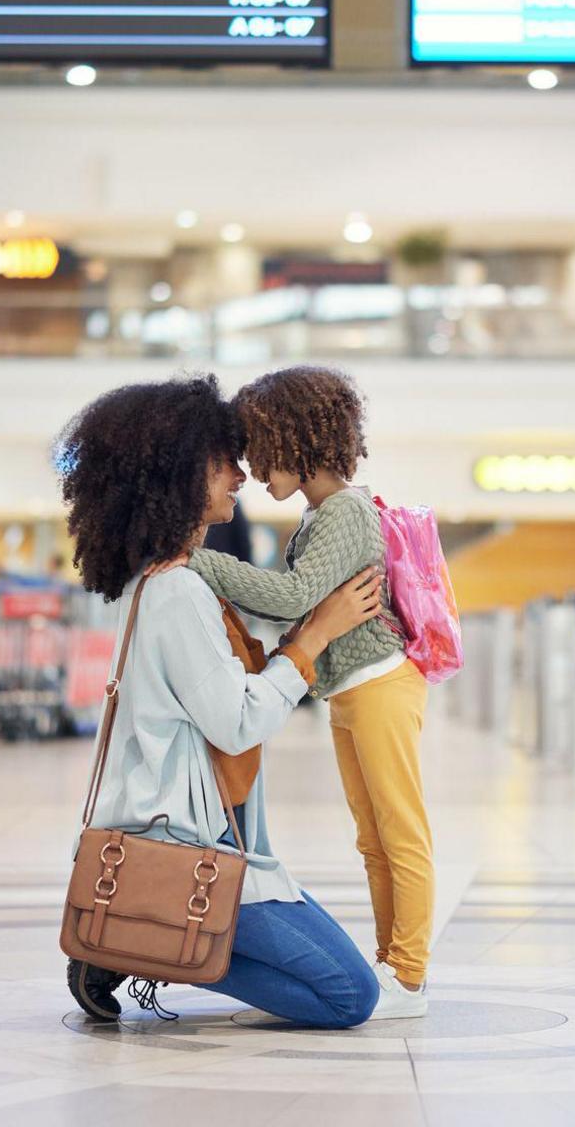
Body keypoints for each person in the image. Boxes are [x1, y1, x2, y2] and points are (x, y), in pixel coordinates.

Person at [58, 374, 384, 1030]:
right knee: (350, 996)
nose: (240, 475)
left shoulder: (165, 582)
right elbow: (237, 724)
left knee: (341, 977)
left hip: (219, 837)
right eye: (221, 464)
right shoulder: (176, 592)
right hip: (186, 843)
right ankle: (139, 939)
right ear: (178, 476)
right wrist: (316, 637)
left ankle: (144, 936)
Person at [188, 366, 434, 1019]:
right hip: (352, 691)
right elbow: (302, 605)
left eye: (263, 457)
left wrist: (201, 559)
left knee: (399, 832)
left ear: (296, 442)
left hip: (380, 687)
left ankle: (408, 974)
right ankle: (391, 966)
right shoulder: (323, 515)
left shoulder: (345, 513)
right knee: (372, 838)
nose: (256, 475)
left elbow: (296, 598)